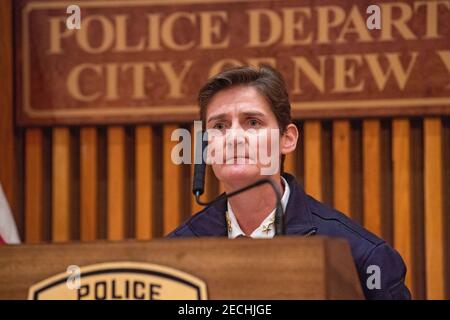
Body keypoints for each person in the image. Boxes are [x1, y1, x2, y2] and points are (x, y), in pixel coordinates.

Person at [167, 65, 411, 300]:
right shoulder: (173, 254)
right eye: (219, 126)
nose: (233, 138)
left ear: (288, 139)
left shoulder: (362, 257)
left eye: (252, 122)